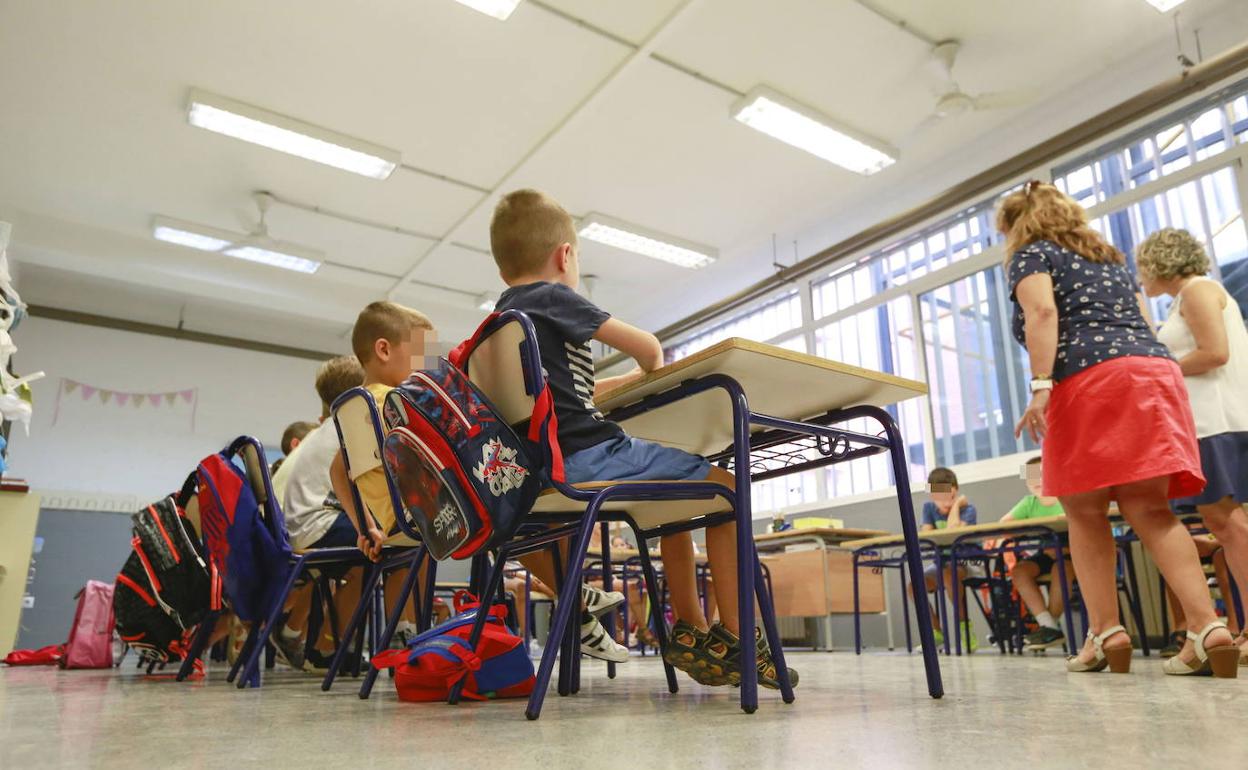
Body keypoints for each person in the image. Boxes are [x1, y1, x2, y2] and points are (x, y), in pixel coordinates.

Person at [488, 189, 794, 688]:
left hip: (544, 471)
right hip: (590, 456)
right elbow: (650, 349)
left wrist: (624, 382)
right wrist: (647, 368)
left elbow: (567, 389)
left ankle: (692, 631)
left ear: (504, 270)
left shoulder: (500, 321)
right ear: (565, 256)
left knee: (679, 504)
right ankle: (738, 637)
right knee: (725, 486)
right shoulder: (552, 298)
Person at [998, 181, 1237, 677]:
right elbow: (1146, 327)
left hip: (1089, 378)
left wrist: (1041, 385)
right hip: (1153, 372)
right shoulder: (1107, 258)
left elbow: (1043, 312)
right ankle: (1207, 625)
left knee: (1085, 513)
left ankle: (1106, 633)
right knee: (1150, 508)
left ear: (1017, 224)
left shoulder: (1031, 254)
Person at [1137, 227, 1248, 666]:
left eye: (1142, 266)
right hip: (1207, 423)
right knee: (1227, 525)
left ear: (1160, 261)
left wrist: (1163, 371)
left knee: (1228, 526)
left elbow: (1215, 353)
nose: (1139, 275)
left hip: (1216, 422)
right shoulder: (1179, 302)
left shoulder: (1199, 289)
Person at [267, 356, 367, 668]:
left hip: (295, 530)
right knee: (385, 545)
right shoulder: (348, 427)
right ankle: (326, 650)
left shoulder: (324, 430)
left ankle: (317, 643)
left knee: (372, 546)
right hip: (311, 528)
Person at [998, 457, 1071, 650]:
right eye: (1030, 477)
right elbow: (1003, 524)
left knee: (1061, 570)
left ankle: (1049, 627)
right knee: (1019, 571)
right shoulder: (1029, 503)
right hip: (1046, 553)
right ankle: (1049, 627)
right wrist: (1023, 529)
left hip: (1073, 553)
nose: (1036, 481)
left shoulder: (1066, 496)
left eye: (1041, 474)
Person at [919, 467, 979, 651]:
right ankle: (936, 633)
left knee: (947, 575)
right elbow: (926, 535)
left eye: (950, 497)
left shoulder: (968, 509)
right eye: (940, 498)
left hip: (967, 562)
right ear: (931, 496)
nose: (945, 503)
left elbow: (953, 530)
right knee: (915, 586)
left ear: (957, 491)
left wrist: (956, 506)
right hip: (942, 562)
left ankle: (964, 627)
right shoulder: (928, 508)